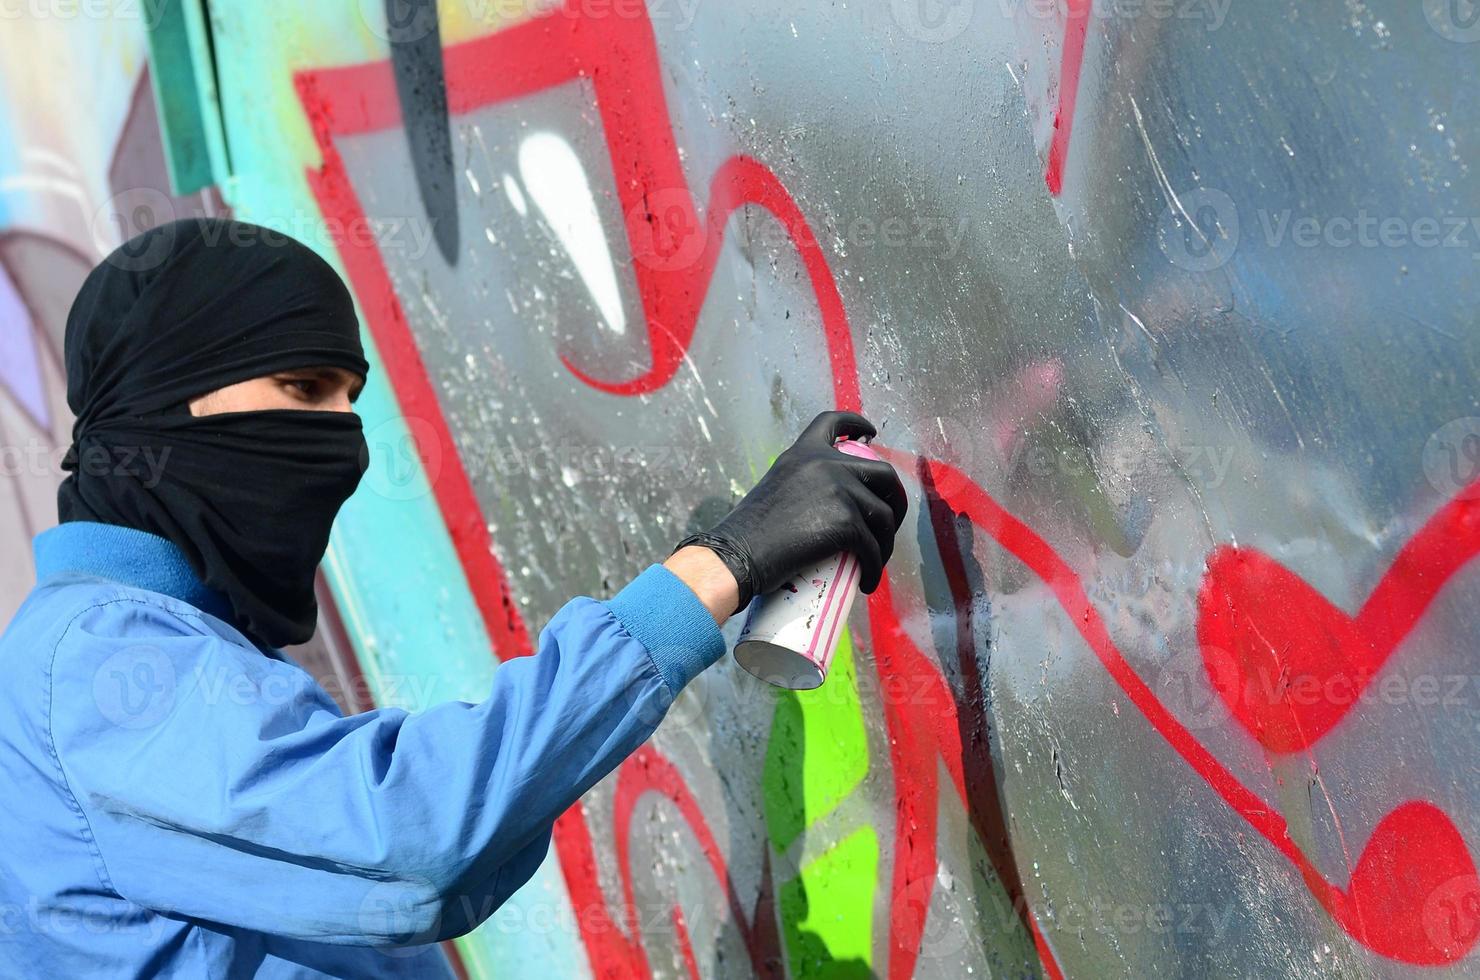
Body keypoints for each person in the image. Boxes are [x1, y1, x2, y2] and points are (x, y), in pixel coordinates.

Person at [0, 218, 907, 977]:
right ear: (169, 392)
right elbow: (409, 839)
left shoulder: (146, 647)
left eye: (348, 397)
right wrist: (721, 568)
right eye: (303, 389)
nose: (342, 438)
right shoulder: (101, 664)